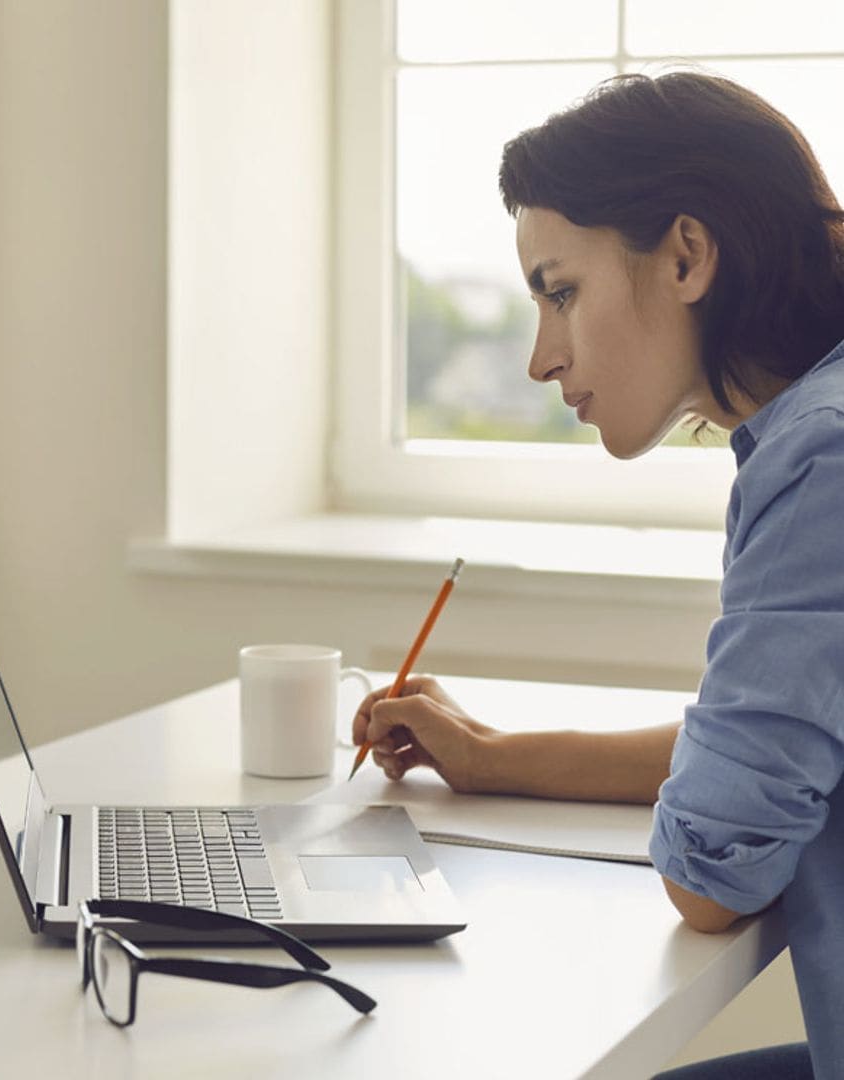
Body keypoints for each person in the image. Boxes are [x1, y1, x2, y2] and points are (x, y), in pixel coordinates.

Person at [352, 71, 844, 1080]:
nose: (542, 357)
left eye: (561, 291)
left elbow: (714, 875)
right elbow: (774, 746)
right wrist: (493, 754)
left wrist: (714, 794)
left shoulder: (819, 462)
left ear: (686, 255)